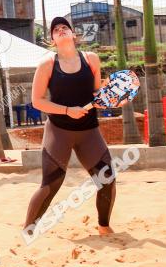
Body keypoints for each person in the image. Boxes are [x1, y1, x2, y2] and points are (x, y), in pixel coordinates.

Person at [23, 16, 118, 238]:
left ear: (73, 34)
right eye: (56, 30)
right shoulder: (47, 64)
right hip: (59, 130)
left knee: (107, 178)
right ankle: (28, 231)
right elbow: (37, 101)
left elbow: (96, 95)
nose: (61, 30)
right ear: (53, 39)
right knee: (52, 183)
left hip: (89, 130)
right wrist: (67, 111)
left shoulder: (91, 59)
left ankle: (103, 226)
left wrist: (112, 99)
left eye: (65, 27)